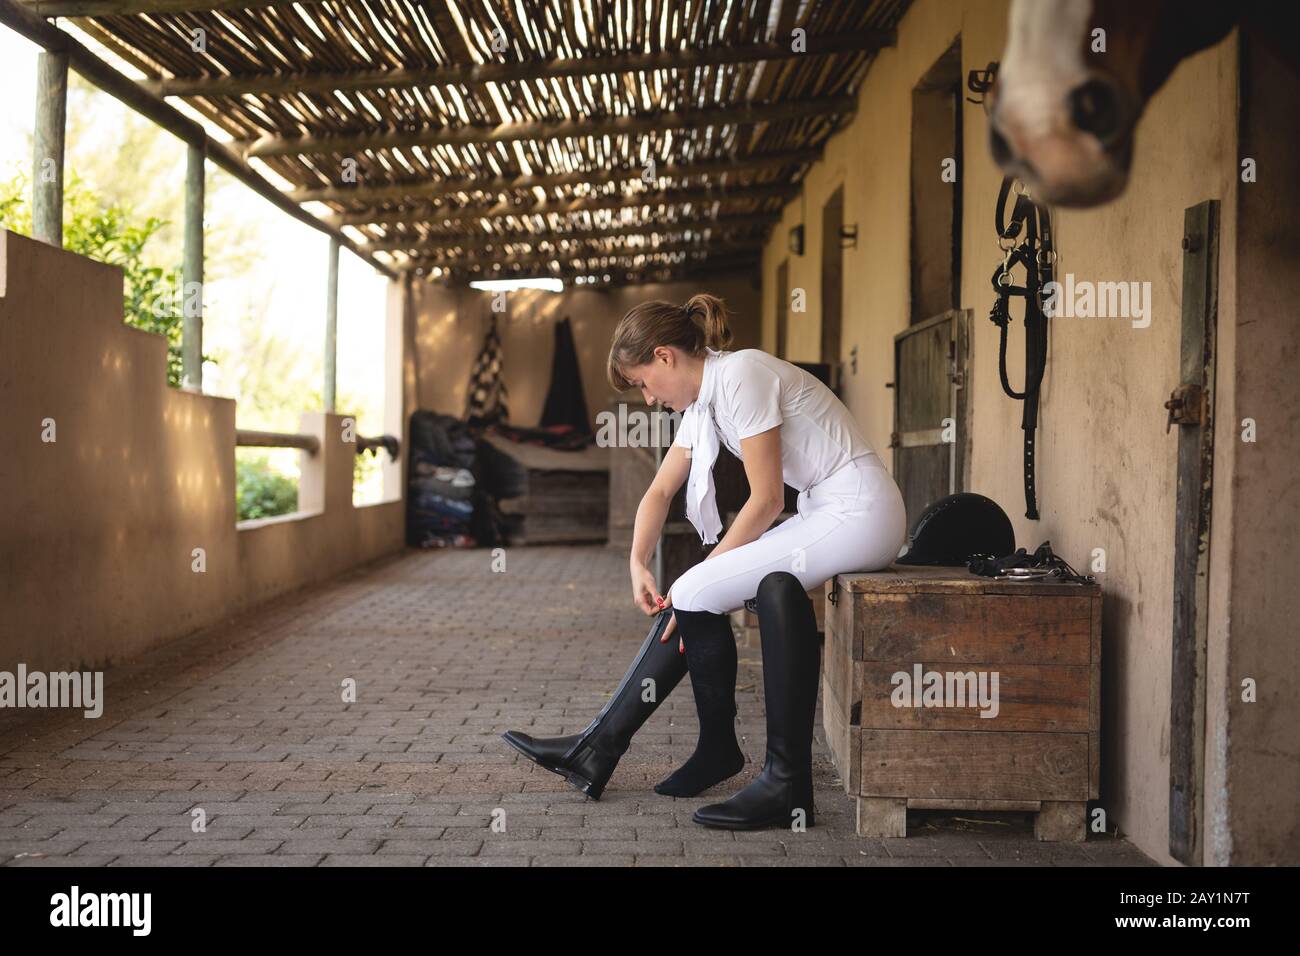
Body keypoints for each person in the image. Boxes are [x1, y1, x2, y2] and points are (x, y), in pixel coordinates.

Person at [501, 293, 907, 830]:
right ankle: (617, 748)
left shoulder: (742, 375)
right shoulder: (704, 403)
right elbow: (659, 490)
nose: (646, 399)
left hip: (861, 510)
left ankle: (755, 773)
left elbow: (766, 500)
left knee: (695, 591)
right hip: (823, 509)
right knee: (705, 593)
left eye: (643, 381)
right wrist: (637, 563)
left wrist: (703, 578)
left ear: (665, 356)